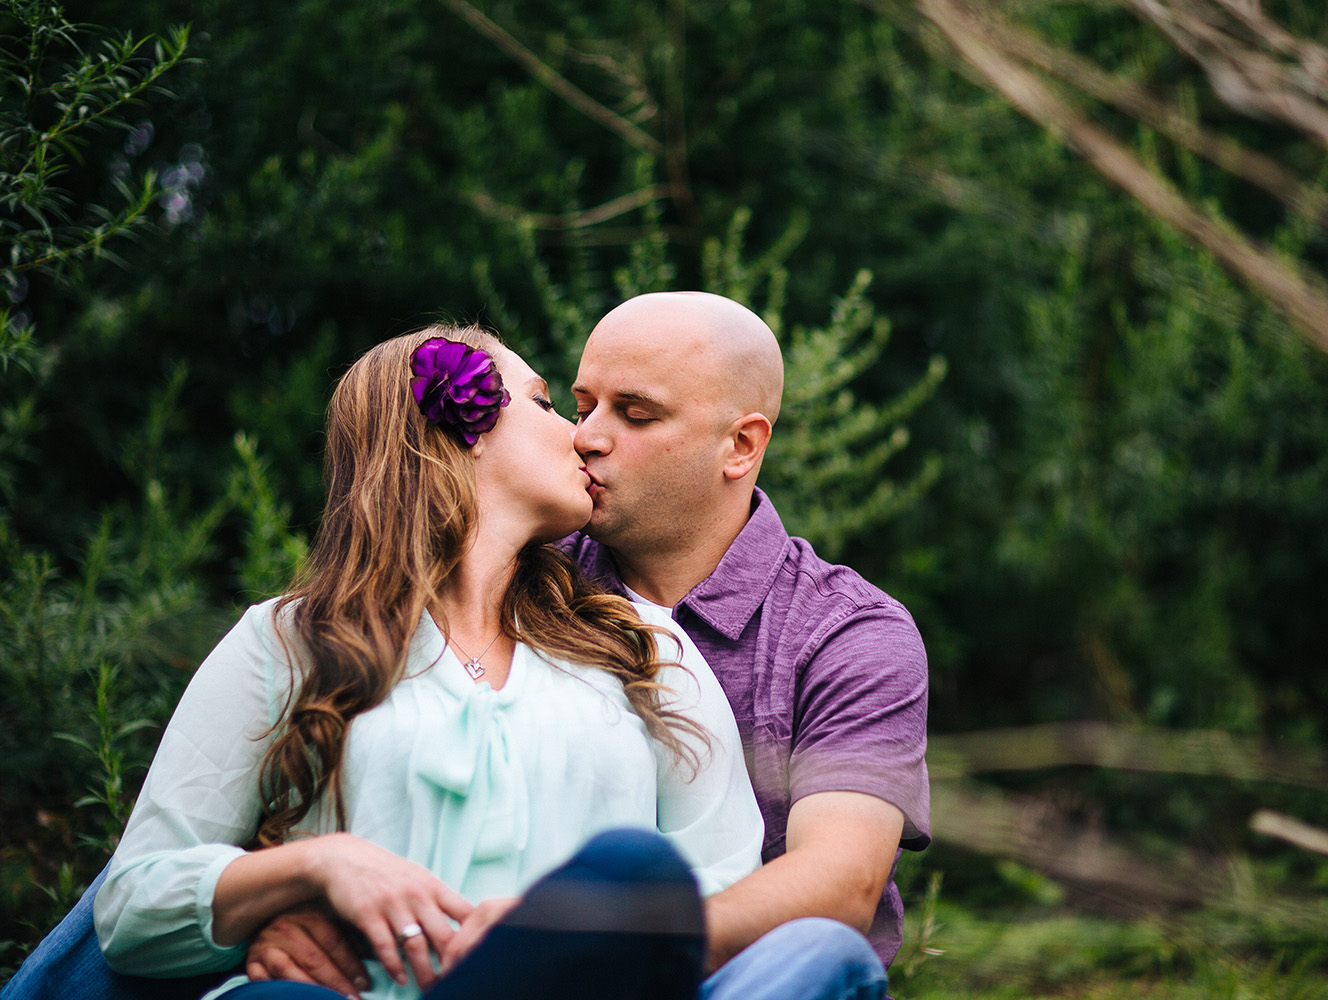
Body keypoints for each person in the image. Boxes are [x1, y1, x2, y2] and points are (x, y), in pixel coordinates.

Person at [4, 325, 763, 1000]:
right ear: (463, 431)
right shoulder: (290, 640)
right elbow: (133, 905)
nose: (583, 436)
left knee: (636, 871)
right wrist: (314, 869)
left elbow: (723, 882)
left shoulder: (646, 648)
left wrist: (557, 926)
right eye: (545, 403)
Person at [248, 292, 930, 1000]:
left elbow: (842, 885)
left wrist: (594, 941)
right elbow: (328, 751)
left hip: (726, 982)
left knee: (820, 952)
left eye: (635, 414)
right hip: (454, 968)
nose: (586, 437)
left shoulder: (847, 633)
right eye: (580, 406)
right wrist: (279, 903)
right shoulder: (519, 574)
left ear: (741, 445)